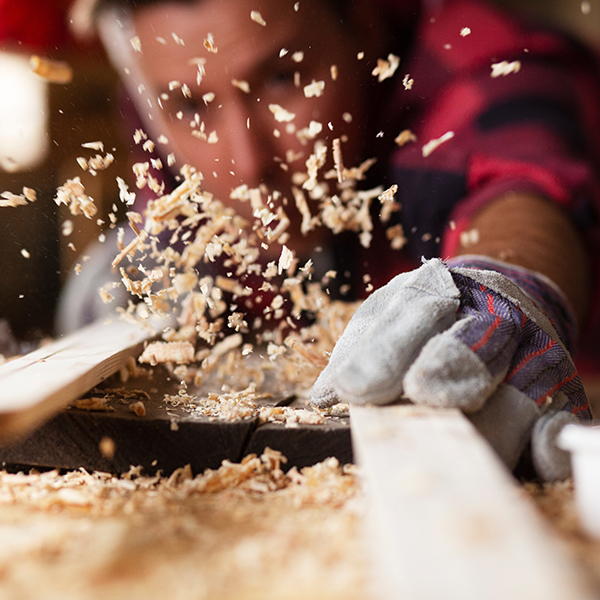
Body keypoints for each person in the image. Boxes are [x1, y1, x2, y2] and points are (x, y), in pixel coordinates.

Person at [63, 0, 600, 479]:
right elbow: (166, 214)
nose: (249, 164)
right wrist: (142, 275)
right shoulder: (163, 80)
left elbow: (522, 186)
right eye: (191, 108)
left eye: (282, 78)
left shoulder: (479, 56)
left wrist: (510, 283)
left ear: (361, 22)